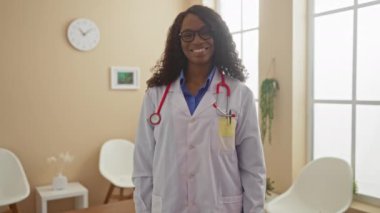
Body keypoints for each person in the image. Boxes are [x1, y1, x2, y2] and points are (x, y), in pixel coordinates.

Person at [133, 5, 266, 213]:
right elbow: (143, 164)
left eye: (205, 32)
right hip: (169, 205)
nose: (197, 41)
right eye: (188, 35)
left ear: (218, 37)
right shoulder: (155, 95)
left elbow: (253, 167)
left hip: (219, 206)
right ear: (179, 42)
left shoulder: (240, 94)